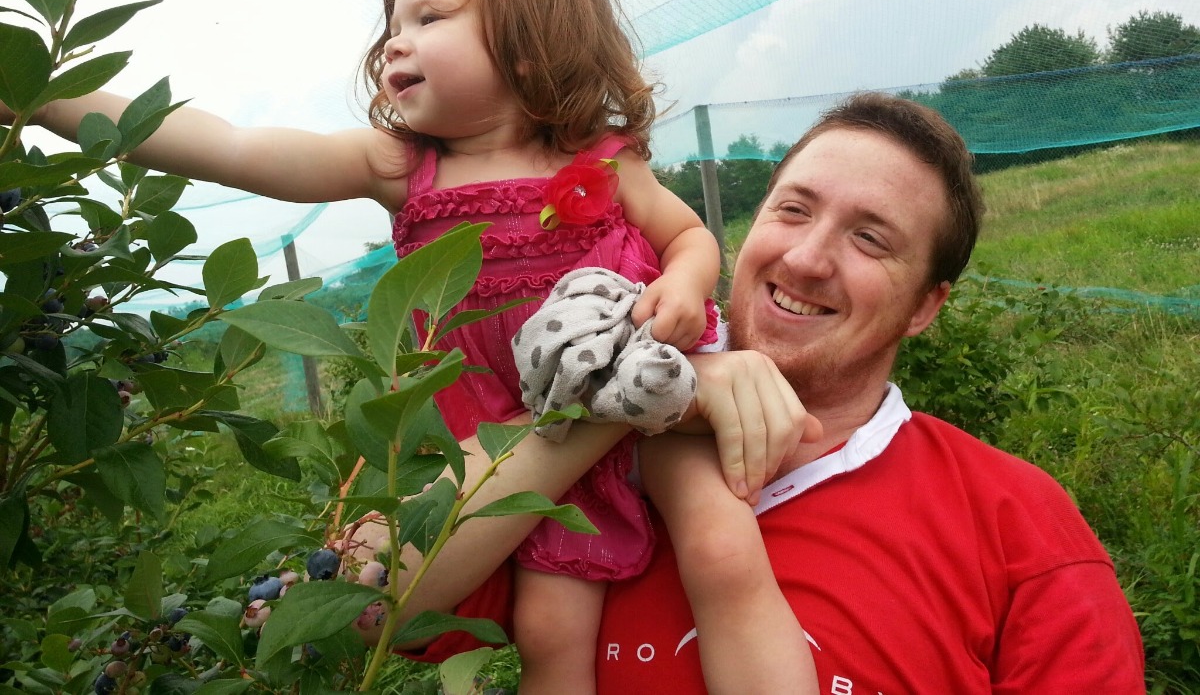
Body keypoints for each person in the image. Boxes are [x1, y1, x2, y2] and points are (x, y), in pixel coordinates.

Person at [7, 0, 814, 694]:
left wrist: (681, 281)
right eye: (393, 24)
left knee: (722, 551)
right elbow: (229, 148)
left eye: (429, 17)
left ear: (531, 47)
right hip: (509, 440)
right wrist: (44, 100)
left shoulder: (601, 161)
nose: (395, 40)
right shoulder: (400, 166)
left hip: (638, 392)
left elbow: (689, 236)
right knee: (549, 634)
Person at [397, 92, 1146, 692]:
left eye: (870, 239)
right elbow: (363, 597)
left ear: (925, 306)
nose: (808, 256)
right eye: (792, 209)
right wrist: (644, 399)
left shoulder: (1015, 521)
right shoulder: (581, 470)